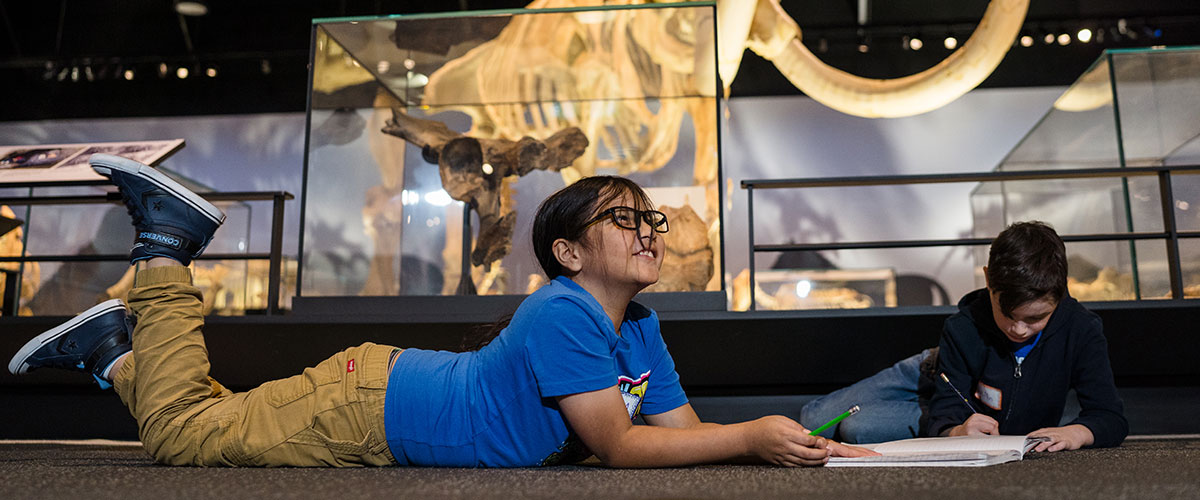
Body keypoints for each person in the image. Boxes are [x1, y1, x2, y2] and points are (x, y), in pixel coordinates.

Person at [9, 153, 873, 468]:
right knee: (183, 437)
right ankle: (163, 246)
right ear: (570, 252)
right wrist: (753, 435)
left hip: (379, 396)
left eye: (649, 216)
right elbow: (620, 446)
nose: (650, 229)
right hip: (367, 412)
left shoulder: (637, 325)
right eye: (625, 218)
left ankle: (116, 356)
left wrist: (774, 442)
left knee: (202, 423)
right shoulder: (563, 310)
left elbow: (675, 427)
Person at [801, 221, 1128, 452]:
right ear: (988, 281)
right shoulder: (964, 328)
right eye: (1007, 314)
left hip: (966, 397)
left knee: (856, 429)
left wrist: (1079, 432)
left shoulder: (1082, 331)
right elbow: (949, 407)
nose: (1018, 329)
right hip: (937, 368)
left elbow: (1110, 417)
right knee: (812, 420)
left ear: (1060, 293)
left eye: (1035, 318)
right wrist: (955, 430)